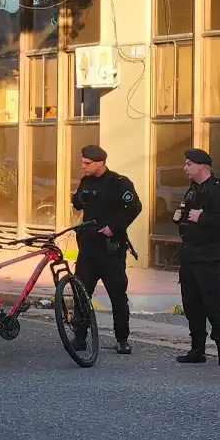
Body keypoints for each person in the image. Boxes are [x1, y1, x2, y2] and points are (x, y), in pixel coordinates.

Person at [70, 144, 142, 354]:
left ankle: (122, 339)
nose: (83, 166)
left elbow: (135, 207)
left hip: (110, 249)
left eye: (87, 163)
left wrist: (114, 227)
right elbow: (78, 204)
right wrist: (76, 197)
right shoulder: (86, 181)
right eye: (82, 162)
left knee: (117, 296)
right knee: (81, 294)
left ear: (100, 163)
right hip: (88, 248)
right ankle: (80, 337)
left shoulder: (118, 182)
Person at [171, 148, 220, 368]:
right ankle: (197, 349)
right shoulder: (192, 190)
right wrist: (179, 218)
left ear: (202, 166)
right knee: (192, 304)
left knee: (213, 304)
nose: (185, 168)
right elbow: (189, 217)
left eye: (189, 164)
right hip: (189, 255)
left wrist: (204, 217)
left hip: (208, 256)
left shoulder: (218, 189)